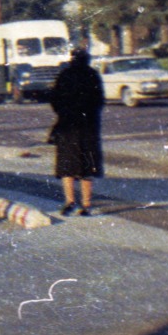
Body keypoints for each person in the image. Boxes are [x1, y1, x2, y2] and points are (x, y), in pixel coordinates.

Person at [47, 48, 104, 216]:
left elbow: (54, 98)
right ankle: (86, 205)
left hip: (67, 126)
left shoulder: (65, 75)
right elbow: (99, 100)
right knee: (87, 167)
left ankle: (69, 201)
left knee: (67, 166)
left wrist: (63, 113)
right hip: (88, 127)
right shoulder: (92, 75)